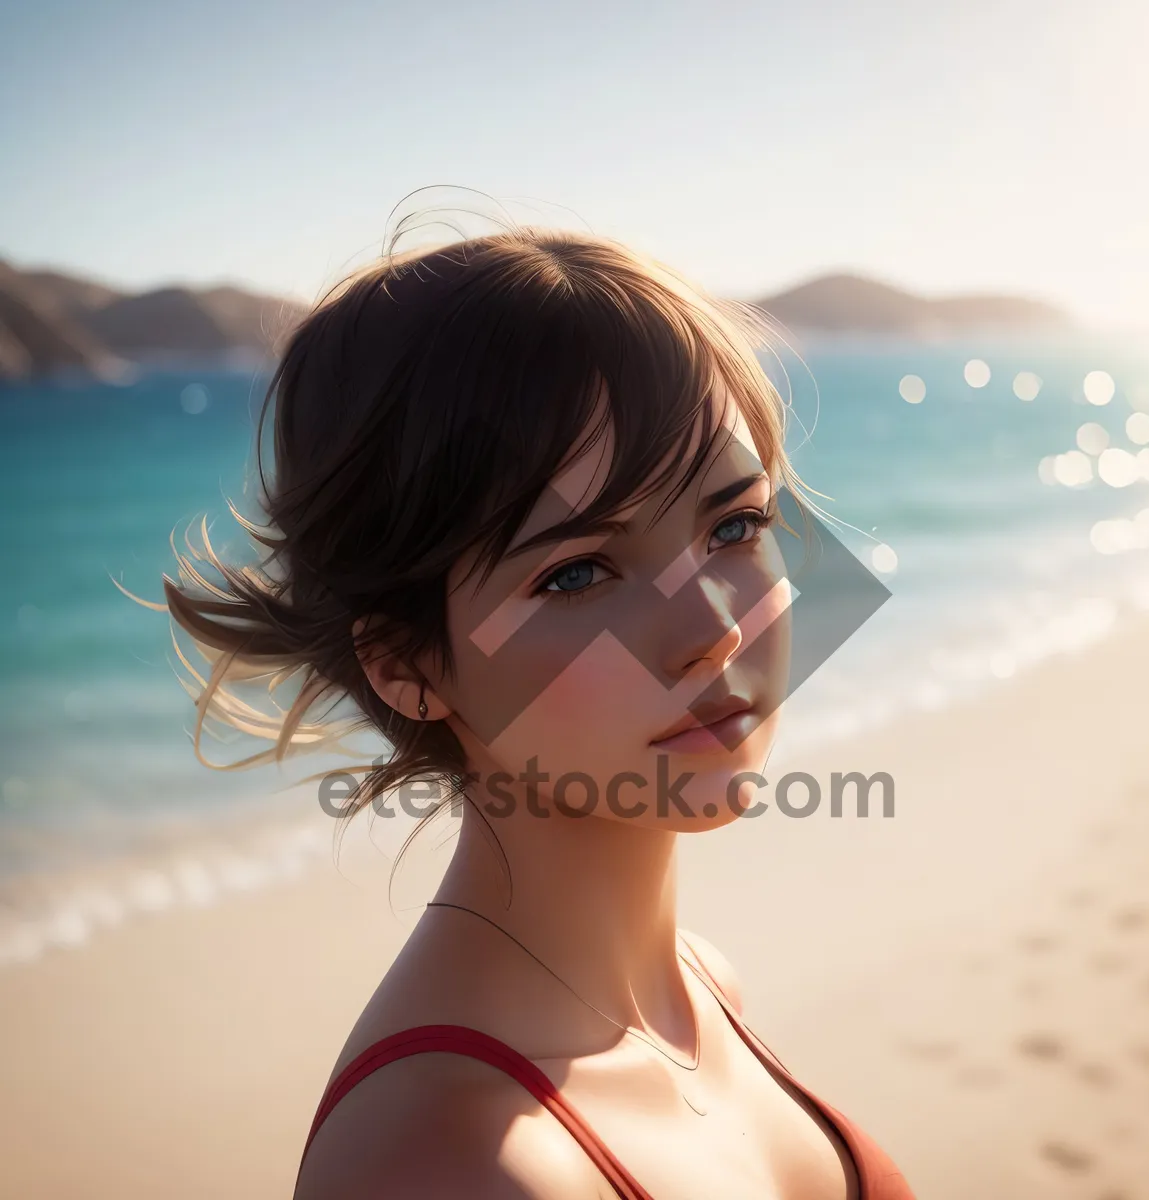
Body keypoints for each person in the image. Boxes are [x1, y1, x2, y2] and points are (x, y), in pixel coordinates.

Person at [162, 197, 915, 1198]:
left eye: (734, 526)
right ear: (406, 663)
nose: (713, 630)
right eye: (577, 574)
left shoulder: (700, 984)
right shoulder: (449, 1163)